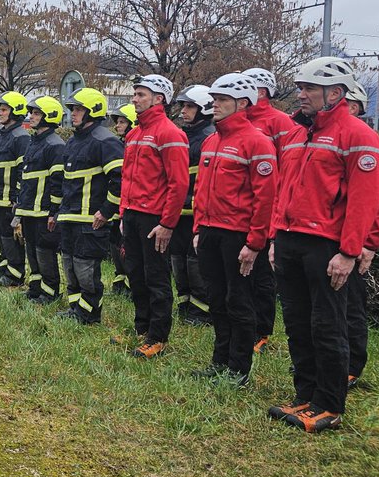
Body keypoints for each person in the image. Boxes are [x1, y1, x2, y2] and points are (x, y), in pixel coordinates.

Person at [269, 57, 379, 433]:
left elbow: (366, 201)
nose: (301, 94)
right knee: (297, 323)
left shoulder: (358, 137)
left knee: (327, 326)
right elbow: (282, 191)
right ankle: (305, 394)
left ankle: (329, 406)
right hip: (290, 241)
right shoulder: (297, 134)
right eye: (301, 87)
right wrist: (275, 237)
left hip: (326, 246)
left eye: (309, 89)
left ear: (335, 93)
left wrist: (350, 251)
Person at [191, 73, 278, 385]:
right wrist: (199, 228)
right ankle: (219, 362)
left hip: (238, 236)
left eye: (222, 100)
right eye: (214, 99)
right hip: (211, 233)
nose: (215, 105)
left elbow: (265, 197)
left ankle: (238, 370)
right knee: (217, 299)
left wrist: (255, 243)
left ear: (242, 104)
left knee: (238, 302)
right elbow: (201, 189)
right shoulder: (212, 140)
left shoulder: (258, 142)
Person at [119, 75, 189, 358]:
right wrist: (124, 213)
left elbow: (179, 183)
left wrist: (167, 223)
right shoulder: (134, 134)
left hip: (155, 219)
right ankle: (142, 327)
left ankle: (158, 337)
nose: (135, 99)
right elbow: (126, 178)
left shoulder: (170, 133)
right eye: (135, 94)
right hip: (134, 214)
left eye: (141, 94)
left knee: (156, 276)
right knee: (135, 273)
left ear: (159, 99)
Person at [342, 80, 379, 388]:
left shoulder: (372, 145)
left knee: (352, 307)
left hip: (358, 242)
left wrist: (369, 243)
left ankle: (352, 368)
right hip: (336, 239)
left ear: (355, 107)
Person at [53, 87, 123, 326]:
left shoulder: (106, 141)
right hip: (70, 217)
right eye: (73, 108)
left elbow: (120, 179)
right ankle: (76, 309)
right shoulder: (73, 141)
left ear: (93, 111)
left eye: (79, 109)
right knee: (69, 265)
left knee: (86, 269)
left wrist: (105, 212)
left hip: (91, 221)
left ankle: (89, 314)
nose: (73, 113)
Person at [241, 67, 299, 353]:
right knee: (242, 272)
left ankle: (261, 331)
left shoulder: (280, 122)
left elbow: (288, 170)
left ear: (261, 91)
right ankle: (242, 322)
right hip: (240, 210)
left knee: (262, 274)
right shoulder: (238, 121)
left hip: (267, 208)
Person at [14, 95, 66, 305]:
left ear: (49, 116)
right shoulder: (34, 141)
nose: (31, 116)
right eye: (32, 113)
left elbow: (58, 182)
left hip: (43, 211)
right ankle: (36, 288)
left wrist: (54, 211)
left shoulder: (55, 145)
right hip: (29, 209)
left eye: (36, 113)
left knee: (45, 252)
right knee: (32, 250)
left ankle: (50, 292)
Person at [171, 85, 216, 325]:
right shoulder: (184, 136)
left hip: (198, 214)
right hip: (179, 212)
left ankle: (202, 311)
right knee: (178, 259)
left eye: (189, 106)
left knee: (196, 262)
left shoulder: (209, 137)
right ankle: (185, 305)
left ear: (204, 108)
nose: (183, 111)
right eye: (183, 106)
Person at [0, 92, 32, 286]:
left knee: (10, 237)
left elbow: (23, 170)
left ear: (15, 111)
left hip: (8, 199)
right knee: (0, 235)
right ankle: (4, 270)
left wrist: (17, 197)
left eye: (3, 109)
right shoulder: (3, 135)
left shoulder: (21, 137)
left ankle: (14, 275)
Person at [106, 104, 137, 298]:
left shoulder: (133, 147)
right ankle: (119, 282)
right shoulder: (119, 145)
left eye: (123, 121)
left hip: (131, 207)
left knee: (128, 247)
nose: (118, 125)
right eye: (117, 121)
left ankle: (131, 284)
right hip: (118, 206)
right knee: (115, 244)